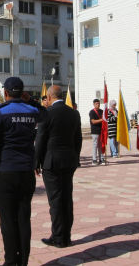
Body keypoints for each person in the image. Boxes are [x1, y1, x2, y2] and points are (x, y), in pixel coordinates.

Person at [0, 77, 49, 266]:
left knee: (7, 220)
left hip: (5, 173)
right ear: (22, 92)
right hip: (27, 172)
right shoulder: (32, 110)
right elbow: (46, 115)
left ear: (5, 93)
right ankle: (23, 262)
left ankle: (11, 263)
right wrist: (31, 100)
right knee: (23, 218)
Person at [35, 86, 82, 248]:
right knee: (66, 198)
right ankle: (66, 236)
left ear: (48, 96)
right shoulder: (74, 113)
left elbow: (40, 140)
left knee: (55, 200)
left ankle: (58, 237)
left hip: (51, 162)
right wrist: (75, 157)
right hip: (69, 160)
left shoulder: (46, 114)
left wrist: (36, 162)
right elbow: (78, 139)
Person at [88, 99, 104, 165]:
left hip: (101, 130)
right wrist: (101, 120)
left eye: (99, 103)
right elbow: (93, 121)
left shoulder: (102, 111)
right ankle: (94, 159)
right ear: (94, 104)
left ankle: (101, 158)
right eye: (96, 103)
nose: (98, 104)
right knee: (95, 145)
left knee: (101, 145)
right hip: (95, 130)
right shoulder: (92, 112)